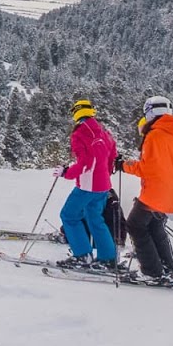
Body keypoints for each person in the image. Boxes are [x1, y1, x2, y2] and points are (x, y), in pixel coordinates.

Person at [115, 96, 173, 285]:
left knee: (135, 224)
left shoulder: (155, 135)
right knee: (155, 227)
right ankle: (167, 269)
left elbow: (147, 168)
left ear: (150, 112)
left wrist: (124, 165)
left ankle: (152, 272)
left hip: (155, 192)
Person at [52, 98, 119, 271]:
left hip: (88, 186)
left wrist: (66, 172)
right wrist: (105, 173)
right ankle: (108, 258)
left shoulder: (80, 134)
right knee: (95, 218)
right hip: (104, 185)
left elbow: (85, 163)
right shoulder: (104, 132)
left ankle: (82, 255)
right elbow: (112, 156)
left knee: (69, 215)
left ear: (75, 114)